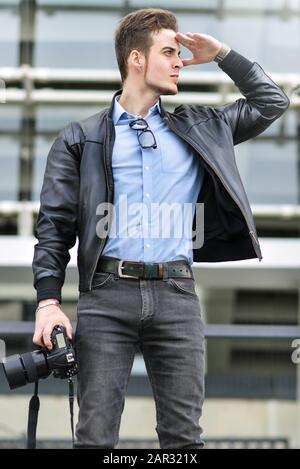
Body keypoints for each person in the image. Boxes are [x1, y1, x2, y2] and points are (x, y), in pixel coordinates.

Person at [32, 8, 289, 449]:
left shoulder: (201, 127)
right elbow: (53, 226)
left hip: (178, 297)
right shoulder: (80, 137)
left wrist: (223, 54)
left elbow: (272, 102)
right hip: (106, 297)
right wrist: (47, 302)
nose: (179, 62)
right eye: (168, 52)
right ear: (136, 59)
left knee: (183, 438)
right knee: (95, 437)